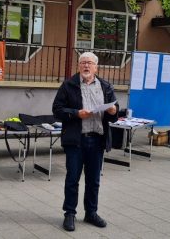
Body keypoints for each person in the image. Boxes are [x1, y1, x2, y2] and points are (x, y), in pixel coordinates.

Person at [52, 52, 119, 232]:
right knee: (72, 179)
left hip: (97, 140)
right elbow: (57, 110)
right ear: (78, 66)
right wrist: (75, 114)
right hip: (76, 140)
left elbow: (114, 112)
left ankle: (91, 213)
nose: (86, 66)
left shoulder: (105, 86)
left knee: (94, 181)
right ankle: (70, 214)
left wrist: (113, 111)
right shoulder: (68, 85)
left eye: (90, 63)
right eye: (83, 63)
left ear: (96, 67)